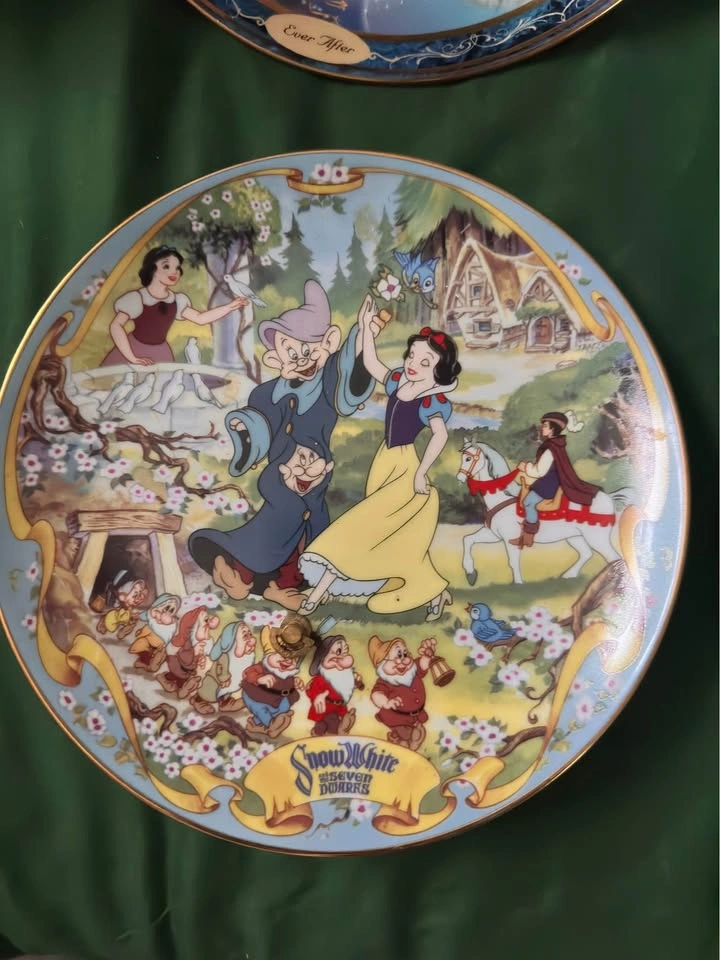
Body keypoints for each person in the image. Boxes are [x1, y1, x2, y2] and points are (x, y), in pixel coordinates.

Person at [188, 280, 384, 609]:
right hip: (279, 475)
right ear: (276, 356)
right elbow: (259, 426)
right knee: (285, 515)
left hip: (316, 476)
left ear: (328, 343)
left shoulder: (327, 386)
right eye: (290, 352)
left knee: (311, 528)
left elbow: (351, 374)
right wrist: (245, 428)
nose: (301, 359)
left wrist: (364, 334)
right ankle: (235, 566)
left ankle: (275, 587)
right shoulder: (268, 393)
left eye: (309, 350)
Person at [298, 312, 461, 622]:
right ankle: (435, 592)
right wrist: (365, 326)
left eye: (424, 362)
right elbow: (372, 364)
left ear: (438, 370)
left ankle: (317, 595)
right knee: (390, 534)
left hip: (404, 467)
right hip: (383, 462)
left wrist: (421, 472)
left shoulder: (432, 401)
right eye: (411, 356)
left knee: (360, 527)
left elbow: (440, 435)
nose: (413, 363)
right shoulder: (400, 381)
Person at [100, 245, 246, 367]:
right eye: (166, 266)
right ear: (152, 269)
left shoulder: (177, 300)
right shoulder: (137, 298)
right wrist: (131, 357)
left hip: (161, 353)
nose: (174, 272)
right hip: (133, 350)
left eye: (177, 268)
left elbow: (200, 318)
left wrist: (230, 306)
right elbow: (116, 325)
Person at [512, 411, 600, 548]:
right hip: (549, 480)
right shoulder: (555, 444)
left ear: (553, 429)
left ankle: (528, 536)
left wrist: (525, 467)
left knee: (528, 502)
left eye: (545, 426)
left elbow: (539, 471)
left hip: (548, 483)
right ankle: (523, 536)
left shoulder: (551, 448)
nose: (542, 428)